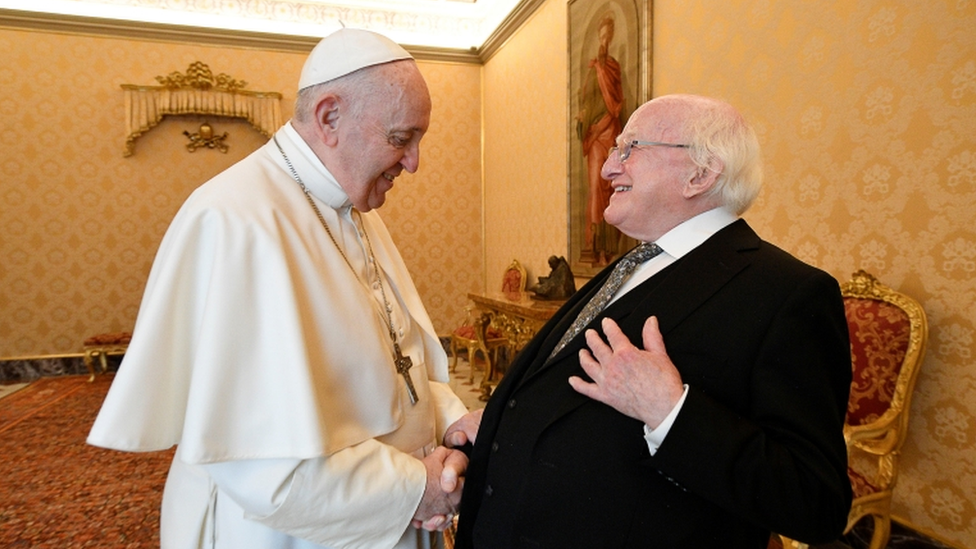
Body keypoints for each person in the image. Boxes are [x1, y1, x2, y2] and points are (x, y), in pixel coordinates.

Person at [88, 28, 477, 549]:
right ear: (329, 117)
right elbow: (260, 466)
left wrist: (453, 421)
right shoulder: (235, 221)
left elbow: (396, 359)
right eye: (401, 138)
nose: (413, 162)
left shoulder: (351, 207)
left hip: (395, 510)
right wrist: (417, 486)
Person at [452, 94, 853, 548]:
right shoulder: (632, 264)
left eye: (630, 149)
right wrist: (501, 420)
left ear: (700, 174)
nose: (606, 168)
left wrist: (670, 411)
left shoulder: (787, 292)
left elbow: (815, 502)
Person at [576, 14, 624, 266]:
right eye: (602, 35)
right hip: (595, 135)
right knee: (596, 188)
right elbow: (585, 102)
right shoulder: (592, 69)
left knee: (612, 189)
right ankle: (594, 247)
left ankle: (609, 249)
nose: (604, 39)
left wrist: (604, 122)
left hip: (610, 131)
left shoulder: (612, 67)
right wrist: (583, 118)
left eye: (608, 35)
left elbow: (617, 102)